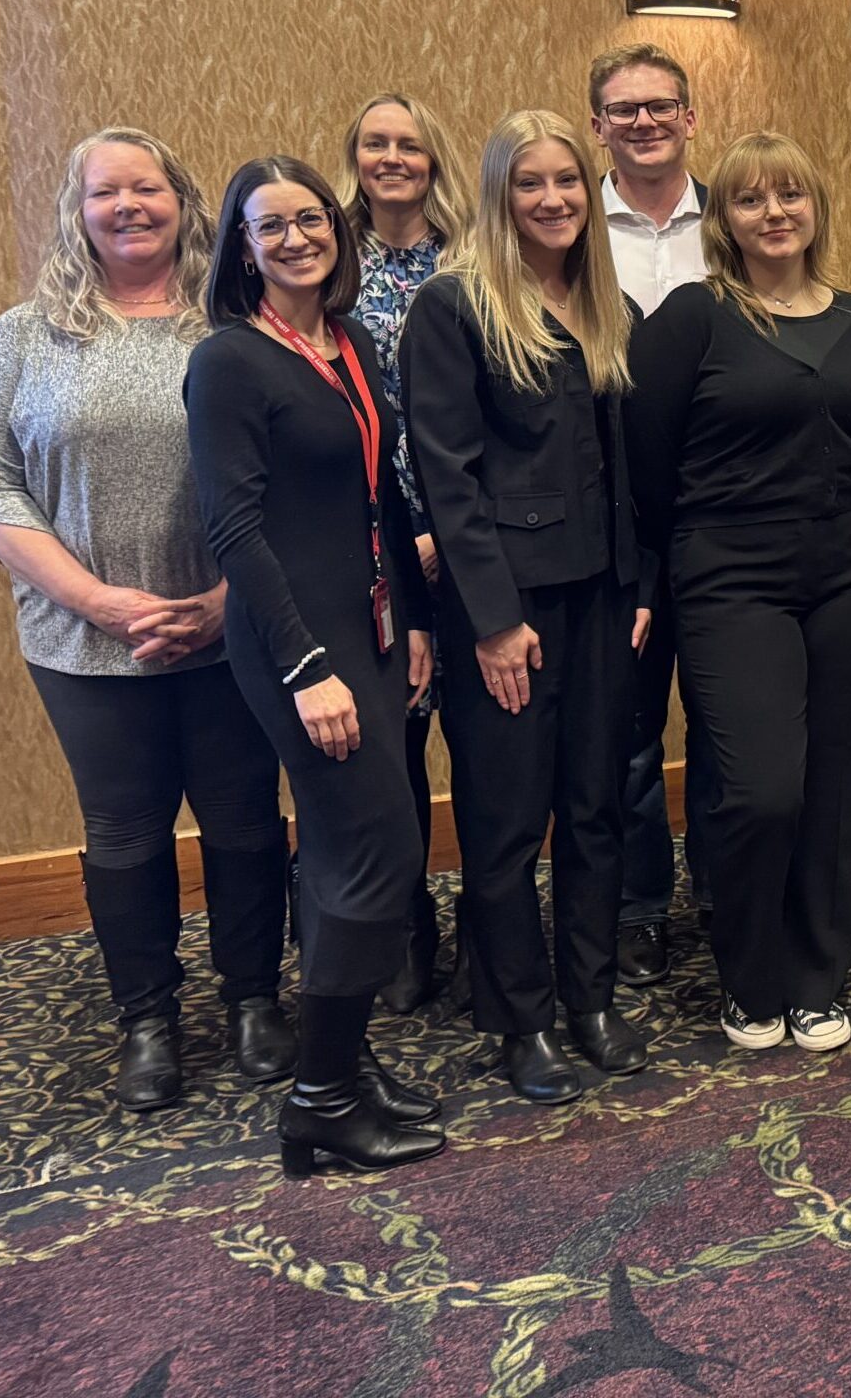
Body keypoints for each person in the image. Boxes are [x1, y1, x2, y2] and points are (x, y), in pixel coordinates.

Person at [0, 129, 293, 1112]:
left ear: (184, 204)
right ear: (79, 211)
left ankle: (252, 1000)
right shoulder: (22, 337)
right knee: (124, 829)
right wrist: (100, 600)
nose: (127, 207)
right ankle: (146, 1019)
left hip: (233, 627)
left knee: (242, 818)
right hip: (83, 641)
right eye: (105, 193)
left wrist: (229, 602)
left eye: (146, 188)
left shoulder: (236, 325)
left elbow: (292, 479)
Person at [184, 156, 443, 1174]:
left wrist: (414, 621)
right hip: (298, 644)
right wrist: (304, 668)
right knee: (372, 855)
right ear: (241, 248)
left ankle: (348, 1063)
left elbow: (387, 503)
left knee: (367, 852)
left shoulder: (349, 341)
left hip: (372, 628)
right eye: (270, 225)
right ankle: (322, 1100)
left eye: (310, 218)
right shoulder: (230, 362)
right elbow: (234, 529)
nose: (296, 237)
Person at [627, 132, 851, 1056]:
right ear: (724, 218)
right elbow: (647, 463)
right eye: (750, 199)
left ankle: (819, 977)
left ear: (816, 208)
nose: (774, 213)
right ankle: (750, 975)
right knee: (758, 790)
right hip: (729, 577)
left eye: (791, 195)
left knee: (833, 787)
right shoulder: (690, 319)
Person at [403, 109, 652, 1104]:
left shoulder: (599, 299)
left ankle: (588, 998)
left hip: (599, 596)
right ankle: (521, 1019)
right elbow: (448, 477)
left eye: (567, 183)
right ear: (500, 193)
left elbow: (621, 464)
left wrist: (635, 586)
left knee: (596, 807)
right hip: (504, 609)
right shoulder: (454, 306)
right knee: (507, 824)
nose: (553, 200)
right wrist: (495, 620)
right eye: (530, 184)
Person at [335, 92, 470, 1013]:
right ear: (355, 157)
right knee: (396, 746)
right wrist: (401, 535)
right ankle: (407, 921)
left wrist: (446, 528)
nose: (393, 158)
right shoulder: (326, 258)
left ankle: (493, 921)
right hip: (372, 543)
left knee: (485, 734)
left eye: (410, 145)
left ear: (433, 160)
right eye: (376, 144)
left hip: (473, 531)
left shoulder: (470, 255)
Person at [587, 43, 713, 988]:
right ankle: (637, 910)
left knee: (722, 722)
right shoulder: (568, 226)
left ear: (689, 116)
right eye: (623, 110)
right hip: (611, 520)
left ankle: (721, 890)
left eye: (659, 106)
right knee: (628, 733)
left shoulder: (738, 219)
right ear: (598, 126)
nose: (643, 122)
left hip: (719, 516)